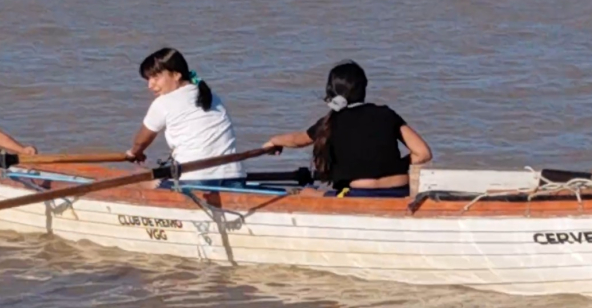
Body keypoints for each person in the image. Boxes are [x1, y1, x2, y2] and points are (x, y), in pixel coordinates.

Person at [264, 60, 432, 198]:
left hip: (361, 194)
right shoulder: (387, 114)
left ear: (331, 92)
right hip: (400, 191)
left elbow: (298, 140)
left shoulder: (329, 122)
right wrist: (395, 165)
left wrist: (274, 141)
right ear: (364, 88)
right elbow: (423, 153)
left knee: (307, 192)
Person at [126, 47, 246, 189]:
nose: (150, 85)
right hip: (235, 176)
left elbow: (141, 141)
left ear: (176, 75)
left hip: (195, 180)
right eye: (148, 79)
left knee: (138, 176)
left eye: (156, 78)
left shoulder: (163, 103)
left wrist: (134, 153)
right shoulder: (211, 97)